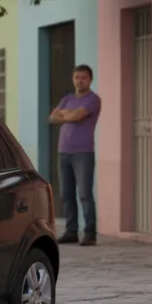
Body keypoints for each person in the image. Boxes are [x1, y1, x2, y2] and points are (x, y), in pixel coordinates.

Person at [49, 64, 100, 246]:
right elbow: (52, 118)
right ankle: (71, 231)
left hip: (83, 152)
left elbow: (78, 116)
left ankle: (90, 233)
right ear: (73, 79)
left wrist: (65, 114)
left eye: (83, 78)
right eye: (77, 77)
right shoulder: (67, 99)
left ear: (90, 79)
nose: (80, 81)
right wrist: (66, 114)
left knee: (85, 193)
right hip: (64, 151)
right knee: (66, 194)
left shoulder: (93, 99)